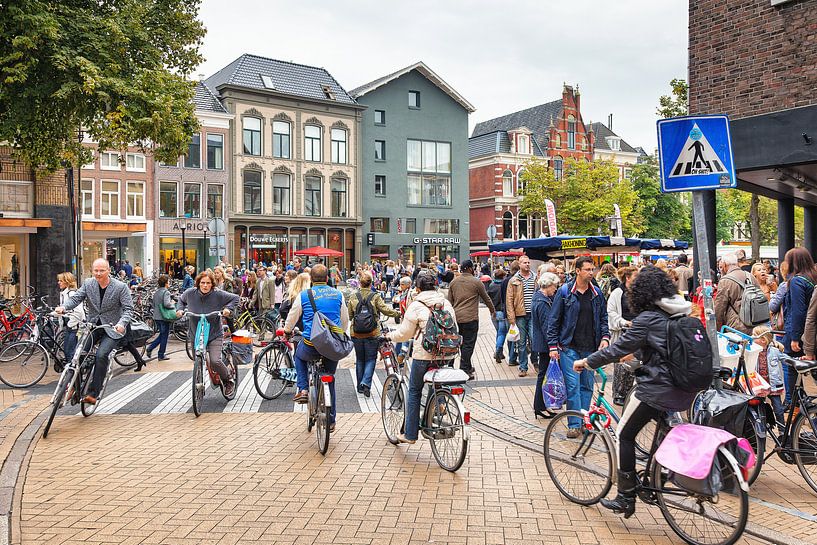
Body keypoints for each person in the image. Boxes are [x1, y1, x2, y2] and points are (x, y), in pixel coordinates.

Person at [571, 265, 696, 518]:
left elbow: (616, 349)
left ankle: (625, 497)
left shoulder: (647, 318)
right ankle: (658, 474)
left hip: (657, 389)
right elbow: (661, 346)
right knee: (665, 428)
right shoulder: (678, 314)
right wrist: (637, 353)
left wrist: (588, 362)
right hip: (684, 389)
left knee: (624, 434)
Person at [385, 270, 458, 444]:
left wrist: (390, 336)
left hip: (424, 355)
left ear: (417, 287)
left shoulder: (416, 305)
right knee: (437, 385)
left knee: (415, 391)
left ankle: (410, 434)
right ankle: (437, 405)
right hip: (447, 353)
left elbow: (404, 333)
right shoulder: (445, 303)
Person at [55, 258, 134, 404]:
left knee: (101, 355)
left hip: (112, 328)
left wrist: (122, 324)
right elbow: (76, 298)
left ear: (108, 270)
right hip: (92, 326)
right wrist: (64, 307)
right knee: (77, 355)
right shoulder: (88, 283)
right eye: (96, 270)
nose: (98, 273)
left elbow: (128, 309)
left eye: (101, 270)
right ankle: (73, 386)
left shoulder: (120, 287)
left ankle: (93, 392)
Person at [547, 256, 610, 436]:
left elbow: (603, 318)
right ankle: (574, 424)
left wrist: (605, 337)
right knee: (573, 386)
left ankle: (585, 422)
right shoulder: (566, 291)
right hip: (569, 347)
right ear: (578, 271)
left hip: (590, 348)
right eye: (587, 270)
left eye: (592, 270)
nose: (591, 273)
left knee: (587, 386)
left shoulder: (597, 293)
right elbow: (554, 320)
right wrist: (553, 346)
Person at [283, 265, 348, 432]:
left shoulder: (305, 295)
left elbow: (293, 315)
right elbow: (344, 319)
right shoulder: (338, 294)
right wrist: (341, 334)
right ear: (328, 279)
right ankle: (331, 420)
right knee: (330, 378)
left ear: (311, 279)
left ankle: (303, 388)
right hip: (332, 346)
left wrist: (287, 331)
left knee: (299, 356)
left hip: (311, 343)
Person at [176, 270, 240, 396]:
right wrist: (180, 310)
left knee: (215, 361)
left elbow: (235, 298)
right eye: (202, 283)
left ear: (212, 284)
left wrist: (228, 309)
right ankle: (200, 382)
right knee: (197, 361)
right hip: (196, 334)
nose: (205, 286)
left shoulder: (218, 294)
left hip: (214, 334)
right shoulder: (190, 293)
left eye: (208, 283)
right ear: (198, 283)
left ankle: (228, 380)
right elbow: (181, 300)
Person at [348, 271, 400, 397]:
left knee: (360, 359)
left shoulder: (353, 297)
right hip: (372, 332)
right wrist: (397, 313)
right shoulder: (375, 296)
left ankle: (360, 385)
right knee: (371, 359)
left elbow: (350, 316)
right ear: (371, 283)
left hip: (356, 333)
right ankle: (366, 382)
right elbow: (385, 310)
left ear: (360, 283)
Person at [447, 259, 495, 380]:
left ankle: (455, 366)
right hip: (470, 318)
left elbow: (449, 301)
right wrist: (492, 310)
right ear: (469, 268)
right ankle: (464, 369)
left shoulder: (454, 282)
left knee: (455, 342)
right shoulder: (476, 282)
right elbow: (486, 298)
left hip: (456, 318)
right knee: (468, 344)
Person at [781, 247, 817, 403]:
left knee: (791, 367)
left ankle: (793, 404)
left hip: (799, 332)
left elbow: (798, 311)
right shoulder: (812, 278)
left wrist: (795, 337)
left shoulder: (796, 281)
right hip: (810, 333)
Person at [607, 266, 639, 406]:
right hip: (623, 331)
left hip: (636, 332)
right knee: (621, 363)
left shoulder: (639, 293)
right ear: (627, 278)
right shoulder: (617, 293)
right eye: (635, 276)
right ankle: (619, 393)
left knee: (633, 363)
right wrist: (624, 322)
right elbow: (611, 312)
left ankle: (629, 391)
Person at [531, 272, 560, 419]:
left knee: (544, 375)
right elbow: (547, 326)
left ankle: (542, 405)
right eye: (554, 286)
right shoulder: (542, 302)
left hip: (542, 344)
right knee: (543, 375)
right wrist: (553, 345)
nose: (555, 289)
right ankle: (539, 406)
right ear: (548, 285)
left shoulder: (539, 298)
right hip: (544, 345)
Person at [506, 255, 538, 376]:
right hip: (520, 314)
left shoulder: (535, 278)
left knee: (535, 339)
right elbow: (509, 300)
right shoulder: (513, 280)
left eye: (528, 262)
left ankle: (535, 361)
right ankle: (523, 367)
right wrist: (511, 318)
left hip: (534, 314)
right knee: (522, 342)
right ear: (519, 264)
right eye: (524, 262)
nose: (527, 264)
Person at [714, 252, 758, 334]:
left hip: (735, 326)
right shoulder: (750, 276)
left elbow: (719, 308)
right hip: (754, 323)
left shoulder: (725, 281)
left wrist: (716, 327)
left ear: (724, 265)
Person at [752, 325, 786, 430]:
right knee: (759, 410)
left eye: (754, 336)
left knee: (779, 410)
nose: (751, 337)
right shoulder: (753, 351)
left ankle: (782, 433)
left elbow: (787, 359)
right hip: (760, 386)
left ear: (763, 340)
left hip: (773, 386)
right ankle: (761, 431)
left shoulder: (775, 351)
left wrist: (799, 361)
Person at [57, 272, 85, 367]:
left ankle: (74, 376)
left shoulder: (71, 293)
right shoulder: (64, 293)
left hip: (74, 327)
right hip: (70, 326)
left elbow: (79, 312)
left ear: (67, 282)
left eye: (61, 281)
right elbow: (64, 309)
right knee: (67, 350)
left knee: (70, 352)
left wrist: (70, 324)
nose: (58, 282)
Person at [145, 275, 175, 362]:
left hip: (156, 316)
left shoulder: (156, 292)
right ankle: (160, 354)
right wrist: (172, 303)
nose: (169, 284)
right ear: (166, 284)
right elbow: (166, 304)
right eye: (168, 282)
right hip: (164, 317)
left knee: (162, 335)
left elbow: (153, 305)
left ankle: (152, 349)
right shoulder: (166, 292)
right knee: (164, 336)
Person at [486, 268, 508, 363]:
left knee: (499, 333)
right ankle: (498, 350)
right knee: (502, 333)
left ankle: (500, 352)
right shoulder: (504, 286)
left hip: (493, 313)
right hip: (502, 312)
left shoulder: (491, 285)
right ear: (503, 276)